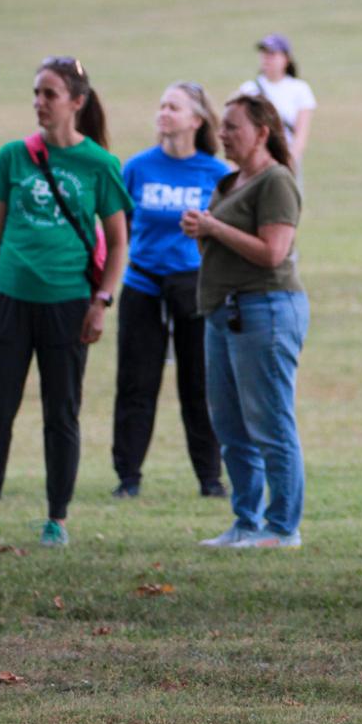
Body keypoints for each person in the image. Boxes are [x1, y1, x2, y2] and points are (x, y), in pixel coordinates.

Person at [0, 57, 131, 548]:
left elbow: (118, 242)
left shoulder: (100, 165)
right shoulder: (12, 157)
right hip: (8, 300)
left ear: (77, 101)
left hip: (67, 304)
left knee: (60, 412)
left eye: (49, 94)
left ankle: (57, 519)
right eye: (36, 93)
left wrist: (100, 302)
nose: (39, 103)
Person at [183, 95, 308, 550]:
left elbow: (273, 252)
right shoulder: (230, 180)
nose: (223, 135)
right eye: (222, 128)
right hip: (224, 311)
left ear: (261, 131)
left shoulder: (276, 181)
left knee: (270, 422)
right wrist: (202, 231)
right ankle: (246, 521)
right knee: (231, 426)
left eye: (232, 127)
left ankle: (282, 527)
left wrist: (214, 228)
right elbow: (220, 247)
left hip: (266, 310)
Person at [112, 82, 231, 500]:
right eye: (161, 105)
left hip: (195, 286)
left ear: (196, 120)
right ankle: (127, 477)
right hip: (142, 283)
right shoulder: (138, 167)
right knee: (135, 383)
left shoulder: (216, 173)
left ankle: (210, 479)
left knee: (199, 385)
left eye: (173, 107)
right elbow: (118, 226)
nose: (163, 113)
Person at [238, 36, 318, 173]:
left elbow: (300, 134)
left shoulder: (299, 89)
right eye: (264, 54)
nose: (266, 58)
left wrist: (289, 162)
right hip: (254, 158)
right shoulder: (248, 89)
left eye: (272, 54)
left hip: (284, 157)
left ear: (286, 59)